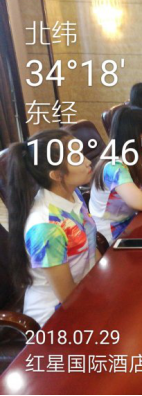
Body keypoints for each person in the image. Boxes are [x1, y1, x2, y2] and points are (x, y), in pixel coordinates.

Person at [4, 130, 98, 326]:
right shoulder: (46, 228)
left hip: (86, 290)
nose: (88, 162)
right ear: (56, 175)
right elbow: (67, 297)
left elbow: (90, 247)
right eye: (77, 158)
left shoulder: (71, 194)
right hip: (55, 316)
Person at [90, 107, 142, 245]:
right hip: (112, 234)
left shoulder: (137, 155)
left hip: (132, 220)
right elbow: (140, 203)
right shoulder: (115, 167)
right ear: (138, 135)